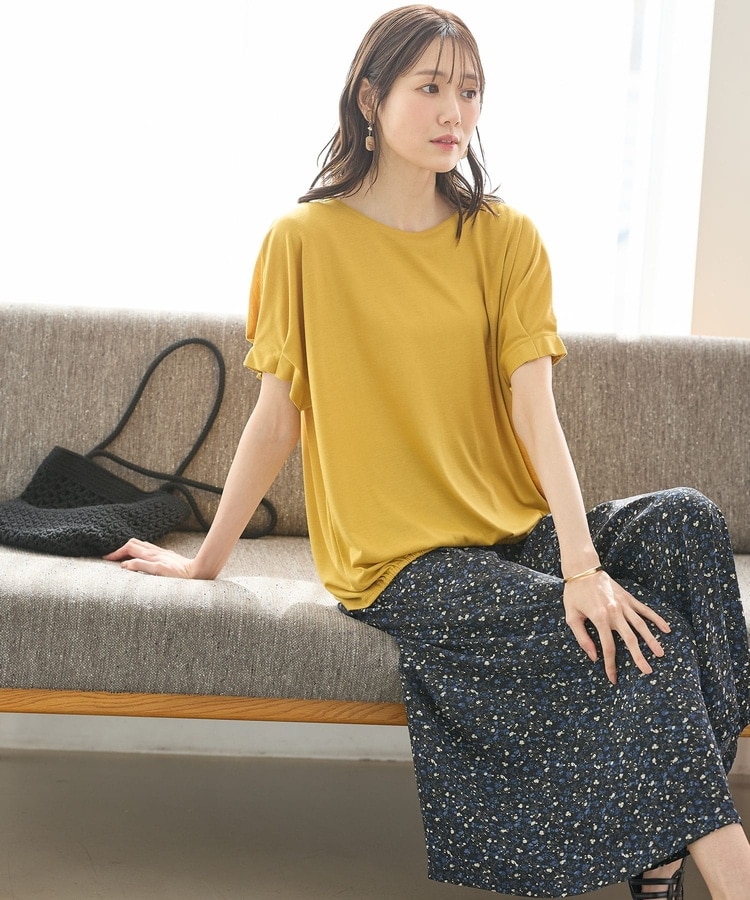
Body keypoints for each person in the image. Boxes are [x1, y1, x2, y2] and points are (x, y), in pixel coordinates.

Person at [105, 5, 750, 897]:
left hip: (513, 533)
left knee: (686, 521)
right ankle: (722, 866)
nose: (456, 111)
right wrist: (205, 563)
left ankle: (662, 842)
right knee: (633, 645)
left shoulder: (506, 238)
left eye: (471, 91)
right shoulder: (304, 242)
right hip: (400, 561)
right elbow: (277, 420)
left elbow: (536, 413)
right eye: (432, 87)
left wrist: (581, 564)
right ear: (371, 98)